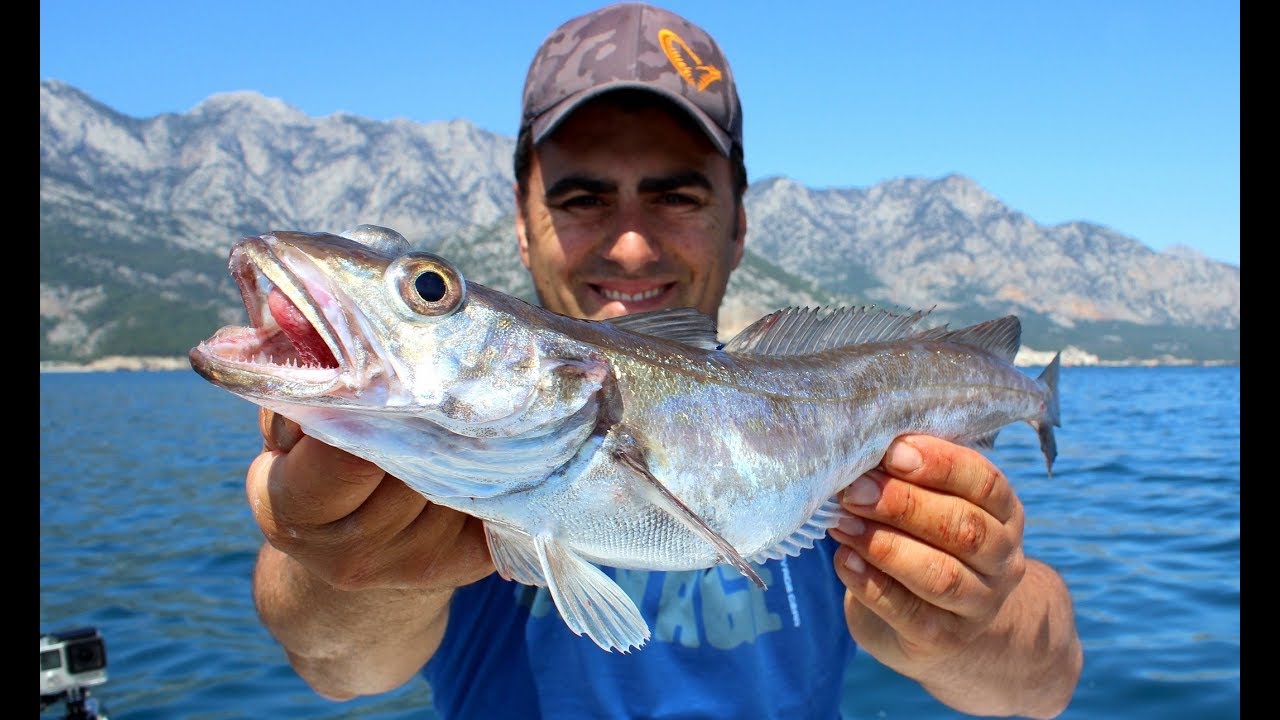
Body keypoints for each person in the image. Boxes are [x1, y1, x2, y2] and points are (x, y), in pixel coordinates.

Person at [244, 3, 1083, 718]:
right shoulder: (433, 461)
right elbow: (334, 664)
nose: (633, 242)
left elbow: (1047, 685)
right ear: (521, 221)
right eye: (582, 198)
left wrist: (969, 613)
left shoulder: (821, 443)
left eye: (676, 194)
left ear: (740, 219)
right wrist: (345, 565)